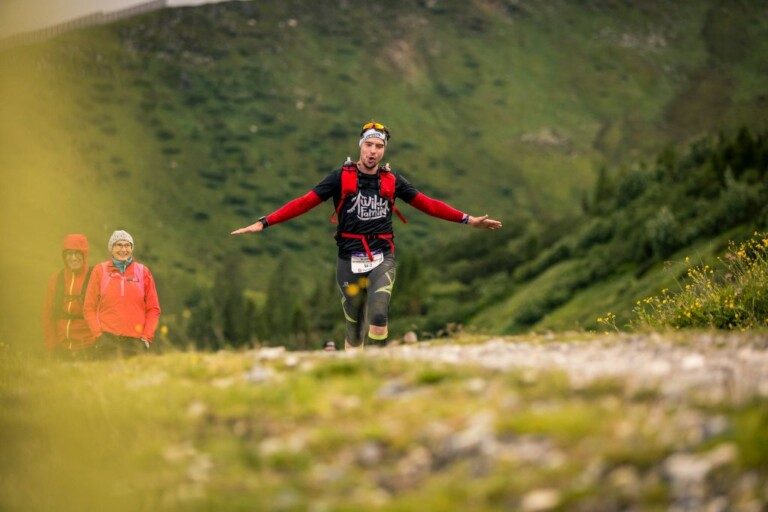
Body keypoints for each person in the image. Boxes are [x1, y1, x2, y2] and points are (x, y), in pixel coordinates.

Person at [231, 121, 502, 350]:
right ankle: (354, 366)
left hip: (382, 256)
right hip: (348, 258)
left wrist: (468, 219)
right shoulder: (339, 178)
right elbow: (304, 203)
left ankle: (377, 363)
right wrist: (265, 222)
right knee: (354, 328)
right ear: (360, 145)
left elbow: (428, 204)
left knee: (379, 316)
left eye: (379, 146)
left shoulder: (392, 181)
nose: (373, 151)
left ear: (384, 150)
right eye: (369, 145)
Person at [83, 230, 161, 358]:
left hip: (136, 342)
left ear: (132, 248)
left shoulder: (143, 272)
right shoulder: (100, 271)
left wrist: (146, 337)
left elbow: (153, 309)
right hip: (106, 341)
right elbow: (89, 307)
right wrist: (98, 335)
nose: (123, 249)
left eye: (127, 245)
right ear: (111, 248)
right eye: (119, 245)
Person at [42, 233, 96, 358]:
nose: (73, 258)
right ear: (64, 256)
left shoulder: (94, 277)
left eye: (77, 253)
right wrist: (51, 346)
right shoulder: (56, 279)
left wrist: (98, 344)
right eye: (69, 254)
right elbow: (47, 314)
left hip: (90, 348)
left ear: (84, 254)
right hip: (61, 349)